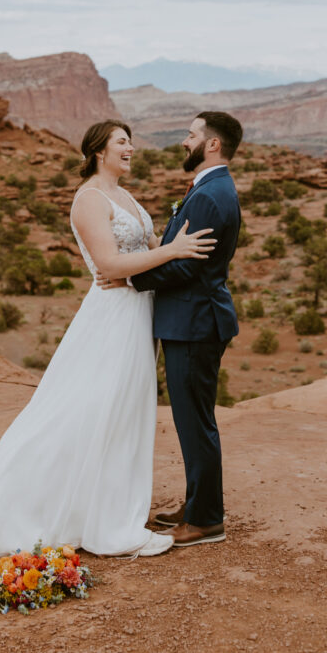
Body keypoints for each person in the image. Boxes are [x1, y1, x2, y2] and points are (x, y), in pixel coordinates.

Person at [0, 119, 216, 562]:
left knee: (124, 412)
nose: (131, 149)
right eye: (122, 142)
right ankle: (72, 512)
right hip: (111, 318)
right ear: (99, 151)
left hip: (139, 314)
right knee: (92, 408)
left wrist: (165, 246)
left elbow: (142, 253)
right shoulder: (88, 199)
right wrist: (172, 250)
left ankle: (110, 506)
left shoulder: (126, 197)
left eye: (131, 142)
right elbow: (109, 263)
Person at [98, 111, 242, 547]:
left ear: (211, 144)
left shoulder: (211, 196)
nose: (185, 141)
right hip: (191, 320)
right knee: (191, 419)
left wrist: (130, 279)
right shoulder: (209, 188)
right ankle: (198, 505)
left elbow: (185, 266)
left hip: (195, 323)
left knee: (195, 422)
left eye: (191, 134)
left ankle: (205, 520)